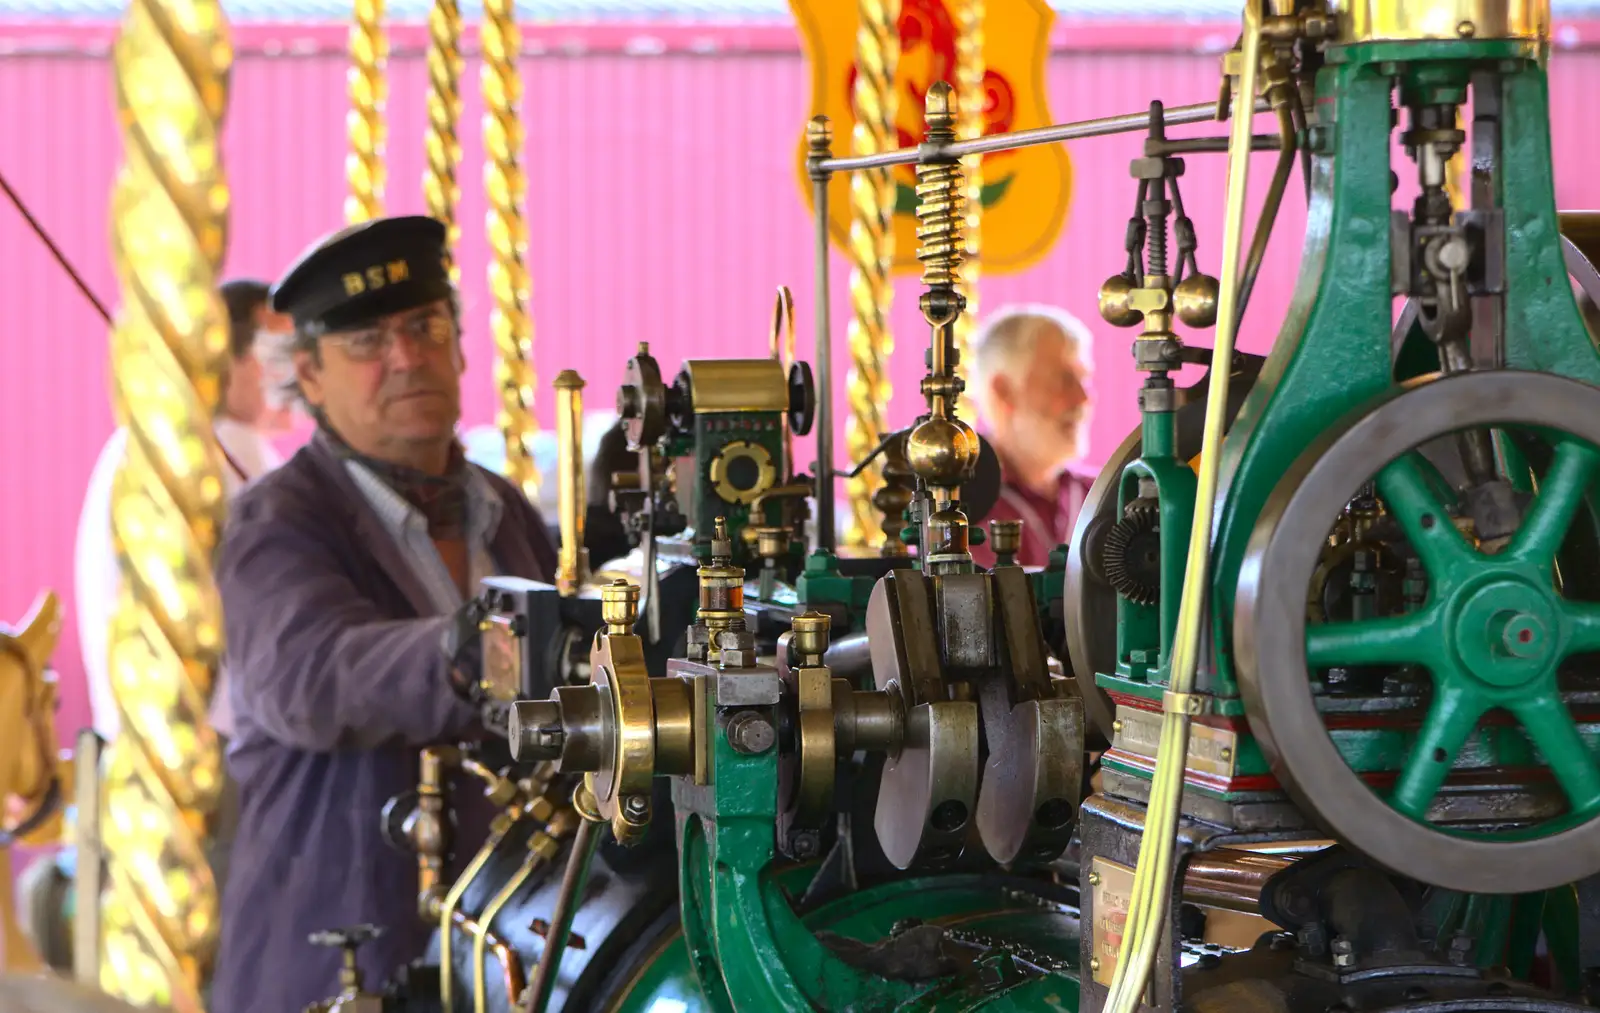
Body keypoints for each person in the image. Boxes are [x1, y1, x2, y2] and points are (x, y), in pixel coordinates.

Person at [209, 215, 557, 1013]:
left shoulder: (501, 508)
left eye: (424, 326)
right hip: (339, 969)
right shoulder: (279, 523)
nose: (405, 358)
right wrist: (476, 654)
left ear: (461, 346)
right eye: (366, 342)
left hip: (497, 964)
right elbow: (309, 673)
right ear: (311, 377)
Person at [74, 278, 296, 745]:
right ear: (227, 358)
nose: (295, 369)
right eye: (277, 352)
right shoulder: (216, 448)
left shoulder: (202, 445)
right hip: (210, 743)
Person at [965, 304, 1096, 569]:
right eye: (1063, 380)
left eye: (1083, 380)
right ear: (1004, 392)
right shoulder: (964, 508)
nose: (1083, 399)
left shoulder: (1099, 496)